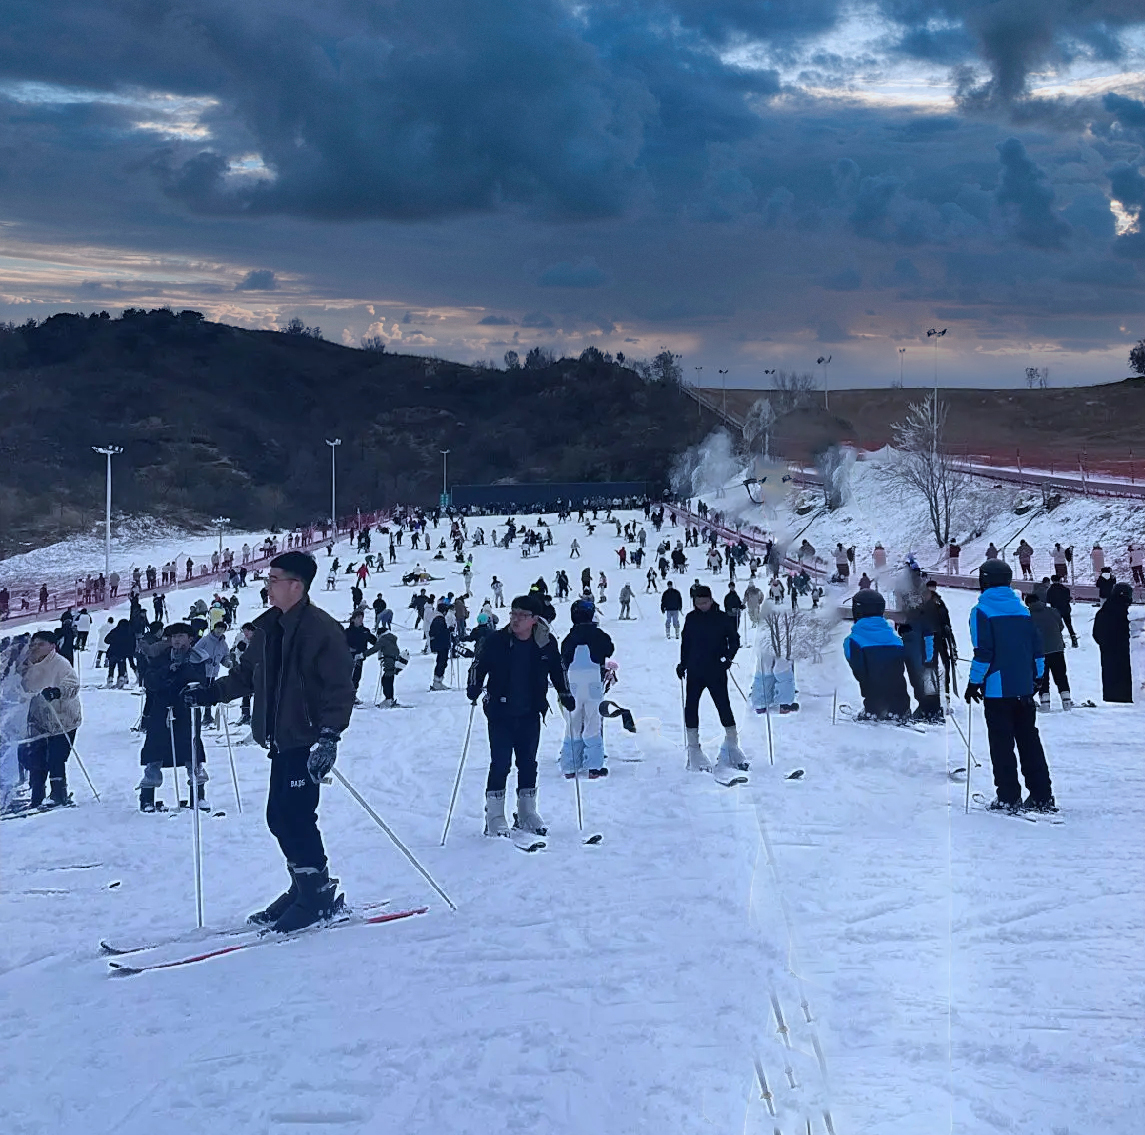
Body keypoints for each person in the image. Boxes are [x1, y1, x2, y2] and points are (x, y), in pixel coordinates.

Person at [185, 552, 355, 932]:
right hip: (280, 740)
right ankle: (304, 887)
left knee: (296, 817)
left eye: (274, 579)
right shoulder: (268, 628)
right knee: (279, 816)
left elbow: (339, 688)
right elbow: (246, 676)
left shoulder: (322, 631)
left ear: (296, 585)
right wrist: (211, 693)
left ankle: (317, 897)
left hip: (305, 740)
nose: (267, 586)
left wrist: (329, 738)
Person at [467, 594, 574, 838]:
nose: (516, 619)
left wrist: (564, 692)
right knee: (500, 763)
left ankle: (526, 812)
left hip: (530, 711)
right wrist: (474, 686)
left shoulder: (545, 642)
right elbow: (478, 664)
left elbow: (558, 669)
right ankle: (494, 816)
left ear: (534, 619)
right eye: (513, 614)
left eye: (522, 615)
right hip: (500, 711)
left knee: (528, 763)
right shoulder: (496, 640)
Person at [964, 560, 1055, 813]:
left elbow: (984, 653)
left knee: (1002, 745)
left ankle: (1008, 796)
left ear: (984, 580)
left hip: (997, 690)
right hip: (1024, 687)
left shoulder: (981, 612)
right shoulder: (1023, 611)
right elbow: (1037, 650)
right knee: (1030, 742)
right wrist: (1037, 678)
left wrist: (973, 682)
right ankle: (1042, 796)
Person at [137, 623, 209, 813]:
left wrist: (185, 671)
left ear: (190, 639)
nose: (176, 640)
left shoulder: (198, 658)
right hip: (162, 710)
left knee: (192, 751)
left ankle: (198, 794)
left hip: (187, 710)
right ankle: (147, 796)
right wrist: (167, 670)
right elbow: (149, 681)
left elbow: (202, 682)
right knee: (155, 751)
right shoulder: (160, 658)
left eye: (181, 636)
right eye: (174, 636)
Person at [677, 584, 747, 775]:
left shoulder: (722, 618)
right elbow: (686, 643)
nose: (701, 606)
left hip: (716, 670)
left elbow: (734, 640)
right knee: (691, 707)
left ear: (711, 599)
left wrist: (728, 657)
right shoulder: (691, 618)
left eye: (705, 602)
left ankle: (732, 746)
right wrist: (682, 664)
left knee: (723, 705)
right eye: (698, 603)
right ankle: (694, 749)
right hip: (694, 671)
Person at [17, 631, 81, 808]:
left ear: (52, 646)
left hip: (62, 719)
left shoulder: (60, 664)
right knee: (36, 758)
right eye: (34, 644)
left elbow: (73, 685)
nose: (36, 648)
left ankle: (58, 794)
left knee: (56, 757)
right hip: (38, 720)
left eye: (41, 644)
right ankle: (37, 795)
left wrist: (57, 692)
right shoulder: (26, 663)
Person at [559, 599, 615, 779]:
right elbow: (609, 649)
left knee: (573, 723)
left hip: (573, 685)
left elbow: (564, 658)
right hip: (593, 684)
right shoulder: (598, 635)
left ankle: (570, 766)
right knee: (593, 722)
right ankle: (593, 766)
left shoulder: (569, 638)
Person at [842, 590, 910, 720]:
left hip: (872, 690)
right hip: (899, 694)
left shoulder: (853, 640)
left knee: (870, 675)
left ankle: (874, 709)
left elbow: (858, 670)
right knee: (894, 675)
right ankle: (898, 710)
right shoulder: (895, 639)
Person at [1024, 592, 1071, 710]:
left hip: (1039, 652)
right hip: (1057, 648)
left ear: (1028, 604)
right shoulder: (1052, 611)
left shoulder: (1027, 616)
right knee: (1061, 675)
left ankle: (1045, 703)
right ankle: (1066, 701)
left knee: (1043, 677)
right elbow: (1061, 626)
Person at [1093, 581, 1134, 703]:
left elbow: (1096, 634)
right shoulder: (1123, 613)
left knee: (1111, 675)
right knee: (1123, 676)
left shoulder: (1104, 611)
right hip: (1121, 652)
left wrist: (1105, 645)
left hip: (1108, 653)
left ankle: (1113, 696)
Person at [345, 610, 378, 702]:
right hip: (349, 659)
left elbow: (375, 642)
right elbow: (340, 644)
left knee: (356, 677)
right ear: (353, 619)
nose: (361, 620)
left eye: (362, 618)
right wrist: (349, 649)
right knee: (348, 677)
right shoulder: (347, 632)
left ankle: (353, 696)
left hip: (360, 658)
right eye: (358, 617)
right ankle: (346, 696)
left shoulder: (365, 631)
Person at [375, 621, 405, 707]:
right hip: (391, 662)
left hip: (389, 662)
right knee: (387, 680)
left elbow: (377, 648)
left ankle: (389, 699)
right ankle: (389, 699)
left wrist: (364, 654)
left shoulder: (385, 639)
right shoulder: (390, 639)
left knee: (386, 680)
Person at [1046, 575, 1079, 648]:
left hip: (1055, 610)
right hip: (1065, 609)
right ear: (1060, 580)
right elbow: (1068, 598)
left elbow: (1048, 600)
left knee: (1057, 627)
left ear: (1052, 581)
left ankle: (1061, 642)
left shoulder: (1050, 591)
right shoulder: (1065, 589)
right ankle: (1073, 638)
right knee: (1069, 625)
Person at [428, 601, 452, 690]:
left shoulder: (437, 618)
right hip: (441, 645)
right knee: (442, 662)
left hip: (440, 644)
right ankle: (437, 682)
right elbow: (439, 633)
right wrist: (448, 631)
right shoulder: (439, 619)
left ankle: (438, 681)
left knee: (441, 662)